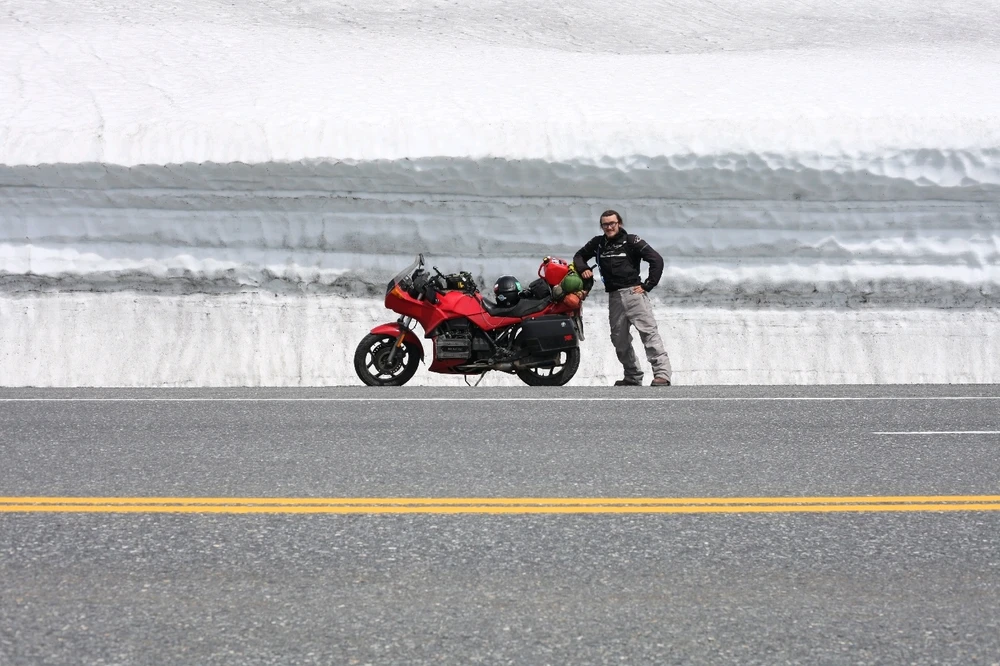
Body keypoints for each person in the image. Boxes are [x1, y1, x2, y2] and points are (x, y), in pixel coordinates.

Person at [573, 209, 672, 386]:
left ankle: (662, 375)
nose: (609, 227)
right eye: (605, 224)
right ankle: (632, 376)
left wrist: (648, 285)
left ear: (619, 223)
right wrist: (583, 268)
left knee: (649, 334)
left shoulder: (631, 241)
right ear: (601, 226)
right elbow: (579, 256)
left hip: (634, 294)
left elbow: (656, 259)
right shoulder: (598, 243)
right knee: (619, 340)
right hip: (614, 298)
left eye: (612, 223)